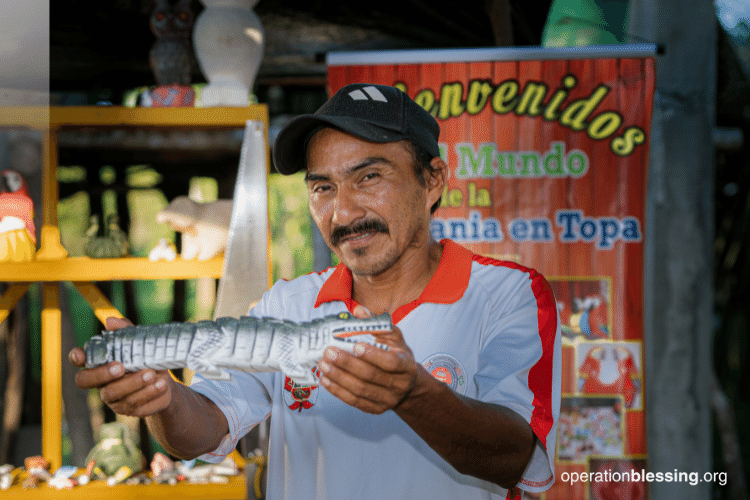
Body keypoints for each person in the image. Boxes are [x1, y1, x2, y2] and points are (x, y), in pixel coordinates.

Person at [69, 83, 561, 499]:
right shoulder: (288, 306)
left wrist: (414, 395)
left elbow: (516, 458)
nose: (343, 213)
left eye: (369, 177)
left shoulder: (505, 295)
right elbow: (207, 426)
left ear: (432, 181)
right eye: (322, 187)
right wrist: (163, 398)